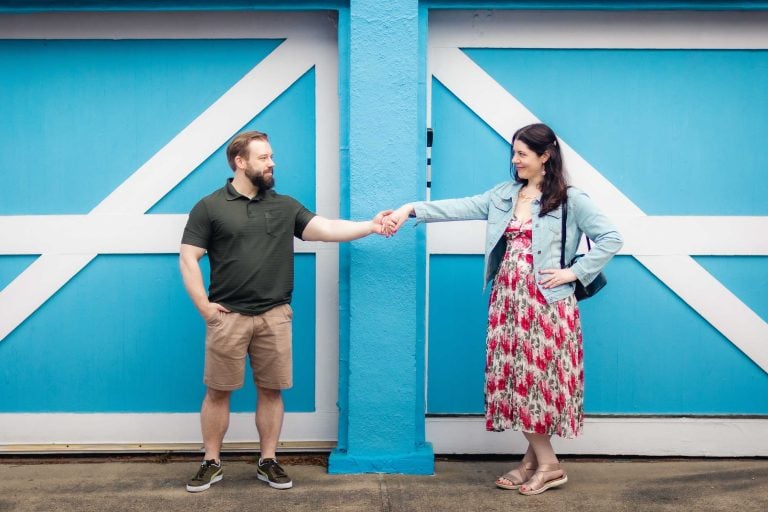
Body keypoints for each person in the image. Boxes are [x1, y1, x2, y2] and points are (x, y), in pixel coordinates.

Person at [384, 123, 623, 495]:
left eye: (522, 154)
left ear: (546, 156)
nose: (515, 160)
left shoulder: (570, 199)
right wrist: (410, 209)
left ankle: (550, 465)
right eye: (513, 153)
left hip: (546, 306)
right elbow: (458, 207)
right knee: (517, 380)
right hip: (509, 303)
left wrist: (573, 273)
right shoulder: (504, 196)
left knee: (538, 384)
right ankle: (531, 461)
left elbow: (611, 237)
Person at [180, 130, 390, 493]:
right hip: (227, 317)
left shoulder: (285, 206)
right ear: (240, 162)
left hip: (275, 316)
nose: (272, 162)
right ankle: (211, 462)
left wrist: (370, 226)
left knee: (272, 390)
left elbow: (326, 228)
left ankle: (268, 460)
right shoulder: (210, 207)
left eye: (271, 156)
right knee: (218, 392)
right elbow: (188, 256)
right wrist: (204, 307)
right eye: (263, 157)